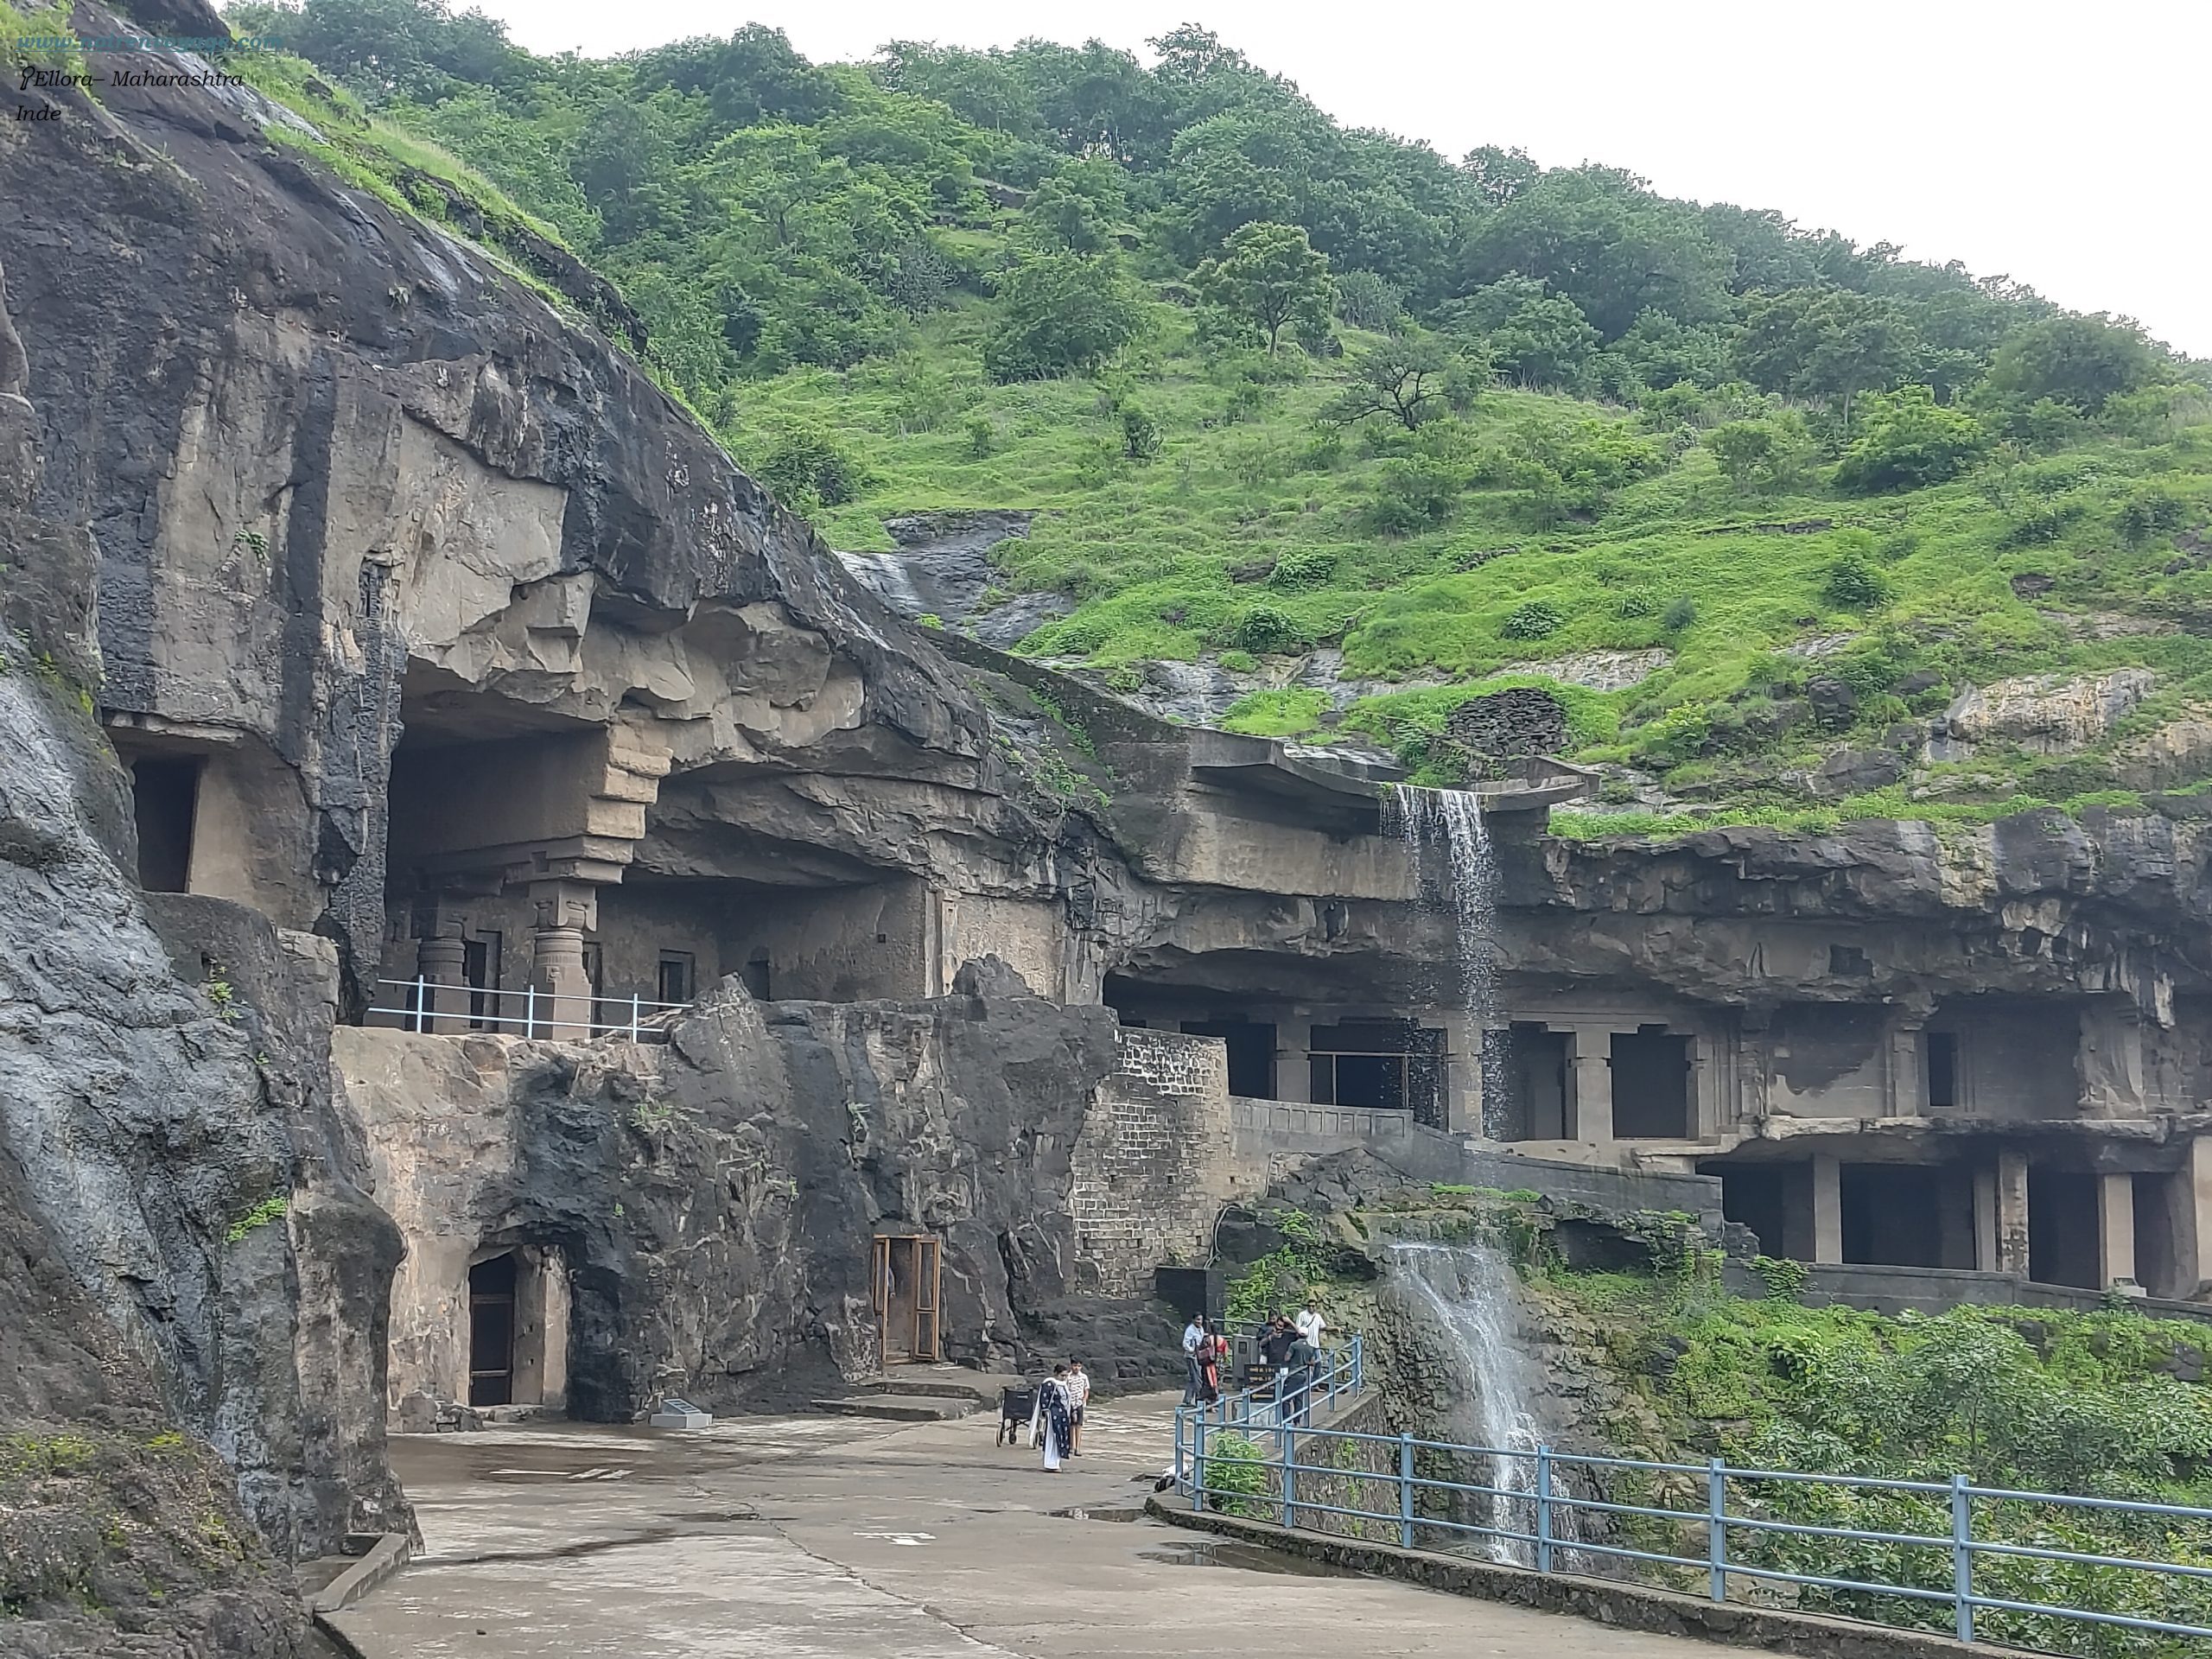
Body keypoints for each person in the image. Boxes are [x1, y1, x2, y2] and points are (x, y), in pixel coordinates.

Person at [1030, 1363, 1073, 1471]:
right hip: (1053, 1415)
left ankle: (1056, 1463)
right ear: (1056, 1374)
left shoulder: (1063, 1385)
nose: (1064, 1378)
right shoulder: (1049, 1384)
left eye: (1066, 1376)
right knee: (1052, 1438)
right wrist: (1046, 1412)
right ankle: (1050, 1464)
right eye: (1062, 1375)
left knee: (1060, 1438)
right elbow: (1044, 1400)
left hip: (1062, 1415)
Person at [1281, 1333, 1319, 1427]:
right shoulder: (1311, 1348)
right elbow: (1312, 1362)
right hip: (1304, 1375)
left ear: (1298, 1335)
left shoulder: (1293, 1345)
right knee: (1299, 1398)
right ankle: (1297, 1421)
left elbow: (1287, 1358)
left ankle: (1287, 1421)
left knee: (1286, 1399)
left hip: (1293, 1374)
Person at [1065, 1359, 1091, 1455]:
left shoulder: (1084, 1377)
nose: (1076, 1368)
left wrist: (1084, 1400)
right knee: (1071, 1425)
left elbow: (1086, 1390)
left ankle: (1078, 1448)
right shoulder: (1068, 1377)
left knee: (1079, 1425)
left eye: (1079, 1366)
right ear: (1071, 1366)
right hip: (1070, 1403)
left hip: (1079, 1403)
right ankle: (1072, 1446)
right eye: (1075, 1365)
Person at [1180, 1313, 1205, 1406]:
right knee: (1196, 1377)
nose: (1199, 1322)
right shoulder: (1190, 1330)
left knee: (1192, 1378)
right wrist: (1192, 1350)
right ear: (1193, 1320)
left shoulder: (1201, 1329)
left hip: (1198, 1356)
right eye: (1197, 1319)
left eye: (1201, 1320)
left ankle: (1187, 1400)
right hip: (1192, 1356)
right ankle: (1199, 1398)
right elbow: (1185, 1343)